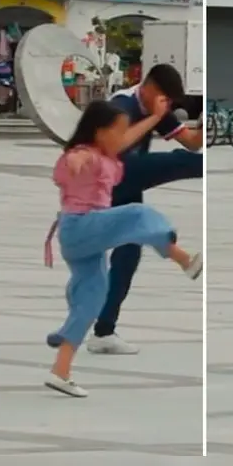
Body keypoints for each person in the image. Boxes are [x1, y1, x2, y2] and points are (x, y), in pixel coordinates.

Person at [43, 100, 203, 397]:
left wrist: (156, 116)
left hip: (82, 241)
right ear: (99, 132)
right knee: (137, 214)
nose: (124, 137)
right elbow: (73, 161)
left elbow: (127, 138)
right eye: (117, 131)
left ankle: (60, 370)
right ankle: (182, 258)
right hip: (80, 227)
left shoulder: (108, 154)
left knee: (92, 299)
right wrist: (76, 161)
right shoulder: (85, 154)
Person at [85, 64, 204, 356]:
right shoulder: (121, 106)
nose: (166, 106)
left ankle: (104, 331)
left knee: (128, 255)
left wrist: (202, 127)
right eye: (164, 98)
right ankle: (176, 251)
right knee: (177, 162)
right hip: (109, 176)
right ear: (149, 88)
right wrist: (153, 116)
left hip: (127, 186)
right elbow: (113, 147)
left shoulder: (157, 109)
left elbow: (191, 143)